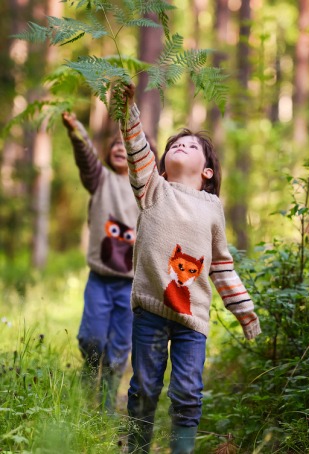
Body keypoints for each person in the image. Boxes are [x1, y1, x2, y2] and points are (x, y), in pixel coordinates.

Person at [114, 83, 262, 454]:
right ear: (162, 163)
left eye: (191, 145)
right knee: (144, 388)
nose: (179, 146)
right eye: (174, 145)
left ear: (208, 171)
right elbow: (136, 148)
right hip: (150, 307)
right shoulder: (152, 188)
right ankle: (137, 448)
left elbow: (223, 267)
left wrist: (245, 312)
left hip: (192, 319)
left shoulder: (212, 209)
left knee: (187, 393)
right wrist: (127, 107)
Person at [62, 111, 141, 412]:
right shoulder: (100, 179)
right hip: (100, 279)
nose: (121, 147)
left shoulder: (145, 191)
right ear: (108, 153)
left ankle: (106, 405)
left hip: (130, 285)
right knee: (92, 339)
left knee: (120, 348)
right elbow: (86, 157)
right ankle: (88, 375)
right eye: (115, 144)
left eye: (127, 143)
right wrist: (76, 130)